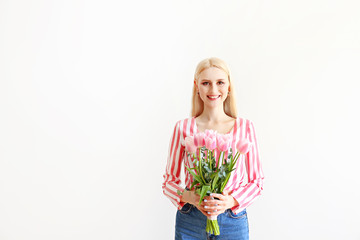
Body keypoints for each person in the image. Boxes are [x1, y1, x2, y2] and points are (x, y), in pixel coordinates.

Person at [162, 57, 264, 240]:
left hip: (233, 220)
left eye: (220, 82)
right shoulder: (183, 128)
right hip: (190, 221)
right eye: (206, 83)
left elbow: (257, 182)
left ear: (229, 86)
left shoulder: (246, 128)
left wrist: (230, 201)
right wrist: (191, 197)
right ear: (197, 86)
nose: (213, 90)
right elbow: (169, 182)